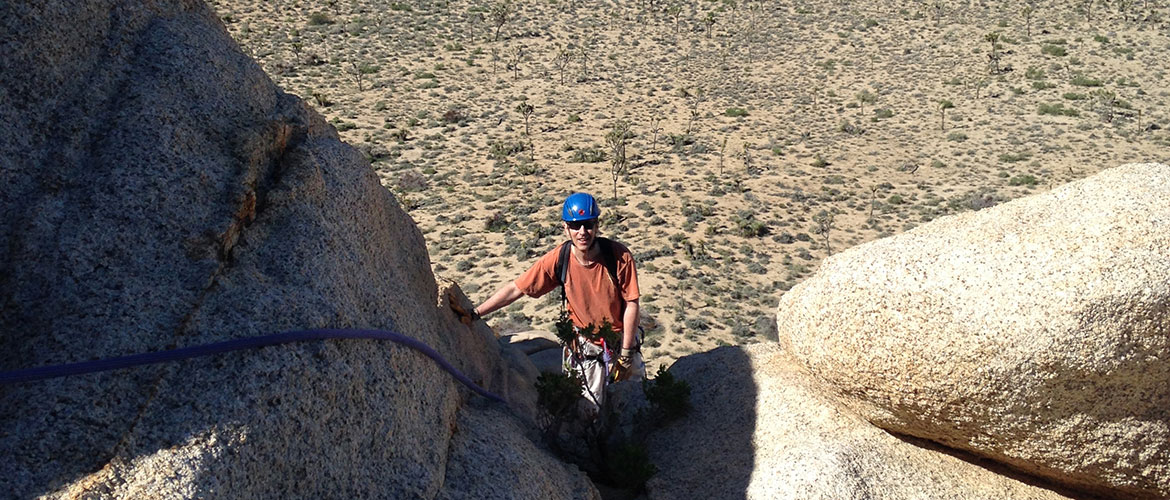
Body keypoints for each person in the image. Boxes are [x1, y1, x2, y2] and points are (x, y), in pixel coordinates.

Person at [472, 192, 643, 412]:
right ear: (566, 228)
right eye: (575, 225)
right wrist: (476, 313)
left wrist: (627, 354)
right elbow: (517, 289)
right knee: (589, 411)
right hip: (587, 347)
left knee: (636, 405)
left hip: (622, 342)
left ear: (597, 224)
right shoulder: (559, 260)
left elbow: (632, 304)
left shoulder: (618, 256)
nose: (582, 232)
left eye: (588, 225)